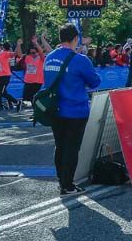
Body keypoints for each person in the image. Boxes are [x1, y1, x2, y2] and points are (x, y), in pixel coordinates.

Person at [43, 23, 102, 196]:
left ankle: (62, 181)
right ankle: (68, 185)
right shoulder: (80, 59)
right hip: (75, 110)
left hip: (54, 109)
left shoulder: (50, 57)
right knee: (71, 148)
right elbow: (95, 82)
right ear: (75, 38)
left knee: (59, 146)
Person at [17, 34, 51, 110]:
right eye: (32, 53)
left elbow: (41, 52)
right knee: (26, 98)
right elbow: (19, 55)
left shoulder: (41, 59)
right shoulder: (27, 57)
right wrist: (19, 45)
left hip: (37, 81)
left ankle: (40, 110)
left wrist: (36, 43)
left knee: (34, 97)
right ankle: (39, 110)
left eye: (35, 52)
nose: (34, 54)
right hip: (28, 81)